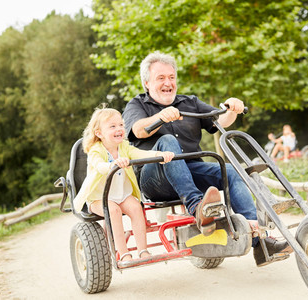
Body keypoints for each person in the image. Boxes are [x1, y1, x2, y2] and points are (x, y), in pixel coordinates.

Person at [122, 51, 291, 266]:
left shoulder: (189, 102)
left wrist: (231, 108)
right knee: (167, 142)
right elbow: (137, 130)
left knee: (229, 170)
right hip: (155, 176)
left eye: (171, 77)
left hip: (191, 171)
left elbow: (220, 120)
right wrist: (160, 117)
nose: (168, 83)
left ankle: (260, 240)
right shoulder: (137, 105)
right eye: (161, 78)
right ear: (147, 83)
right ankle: (197, 208)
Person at [73, 104, 174, 262]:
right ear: (99, 133)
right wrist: (112, 165)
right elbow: (99, 166)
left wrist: (159, 154)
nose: (119, 128)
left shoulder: (124, 147)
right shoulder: (96, 150)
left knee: (136, 207)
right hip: (99, 198)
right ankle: (124, 252)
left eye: (121, 124)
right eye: (112, 126)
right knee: (113, 211)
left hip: (121, 194)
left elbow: (140, 153)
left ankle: (143, 251)